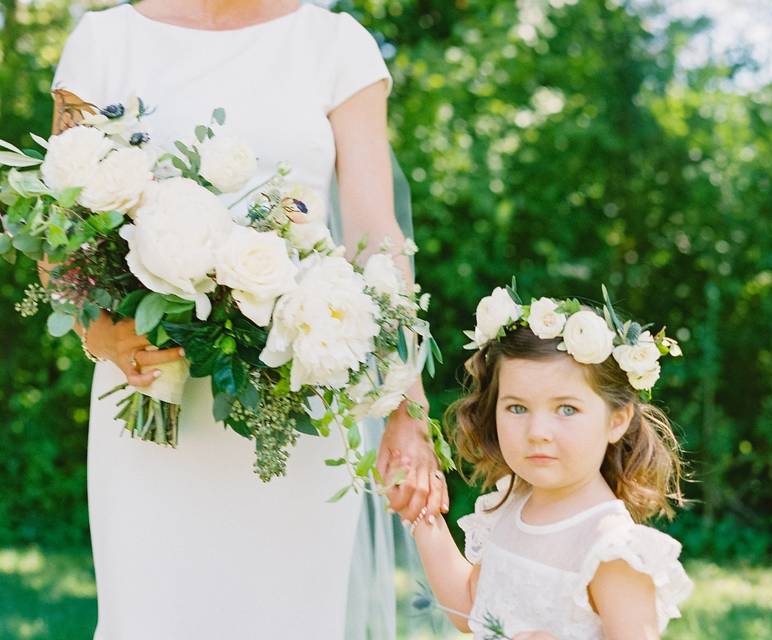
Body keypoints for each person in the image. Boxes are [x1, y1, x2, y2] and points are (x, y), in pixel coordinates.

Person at [48, 1, 445, 637]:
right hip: (152, 397)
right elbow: (59, 229)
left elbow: (377, 238)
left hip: (299, 404)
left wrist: (408, 410)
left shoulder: (337, 45)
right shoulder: (104, 42)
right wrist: (106, 334)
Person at [411, 287, 694, 639]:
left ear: (617, 420)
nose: (538, 432)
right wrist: (423, 513)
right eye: (517, 408)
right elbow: (472, 607)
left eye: (566, 409)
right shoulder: (512, 507)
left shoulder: (611, 549)